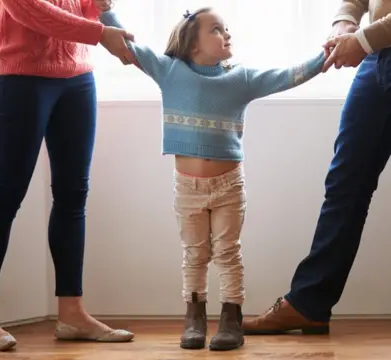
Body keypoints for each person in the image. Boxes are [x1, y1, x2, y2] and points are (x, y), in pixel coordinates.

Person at [241, 0, 391, 357]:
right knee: (345, 183)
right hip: (378, 59)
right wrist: (344, 23)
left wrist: (365, 39)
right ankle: (309, 302)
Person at [95, 3, 325, 351]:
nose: (226, 33)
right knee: (194, 254)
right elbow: (127, 46)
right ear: (192, 45)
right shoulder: (169, 70)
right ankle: (194, 317)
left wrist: (326, 56)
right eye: (216, 29)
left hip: (229, 185)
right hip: (187, 188)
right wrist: (104, 11)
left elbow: (288, 75)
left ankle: (231, 318)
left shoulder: (240, 78)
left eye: (226, 28)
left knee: (228, 252)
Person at [0, 0, 139, 351]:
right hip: (20, 79)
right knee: (6, 195)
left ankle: (72, 313)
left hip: (77, 78)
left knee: (73, 195)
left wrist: (99, 10)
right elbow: (27, 9)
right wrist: (99, 33)